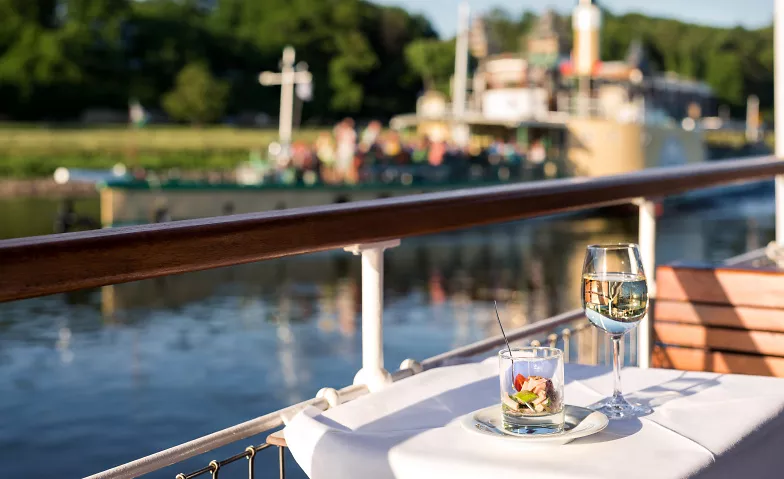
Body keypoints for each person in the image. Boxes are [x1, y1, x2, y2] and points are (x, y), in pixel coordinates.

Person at [334, 118, 357, 183]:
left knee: (349, 169)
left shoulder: (351, 132)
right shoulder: (341, 131)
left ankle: (348, 182)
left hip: (347, 152)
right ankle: (340, 182)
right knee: (340, 169)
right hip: (341, 152)